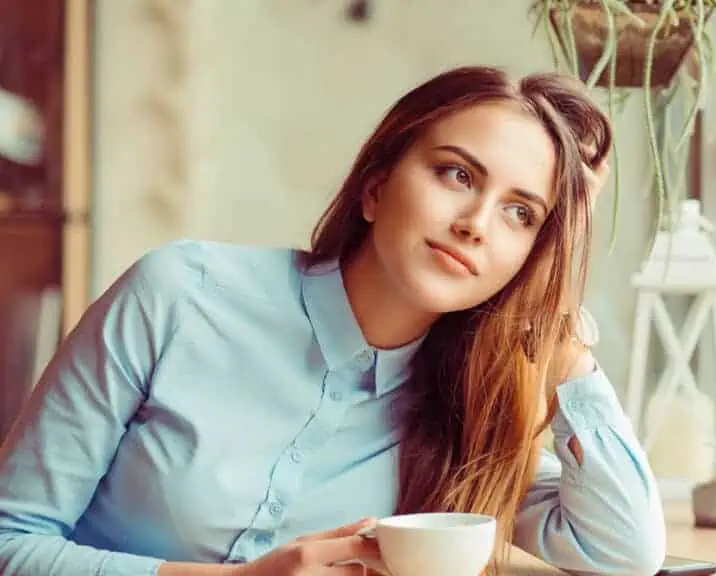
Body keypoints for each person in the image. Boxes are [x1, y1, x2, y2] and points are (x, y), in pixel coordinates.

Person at [0, 65, 666, 575]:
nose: (475, 225)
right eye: (457, 175)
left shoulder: (470, 410)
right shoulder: (180, 295)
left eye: (521, 212)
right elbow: (10, 541)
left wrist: (556, 326)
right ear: (375, 187)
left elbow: (621, 550)